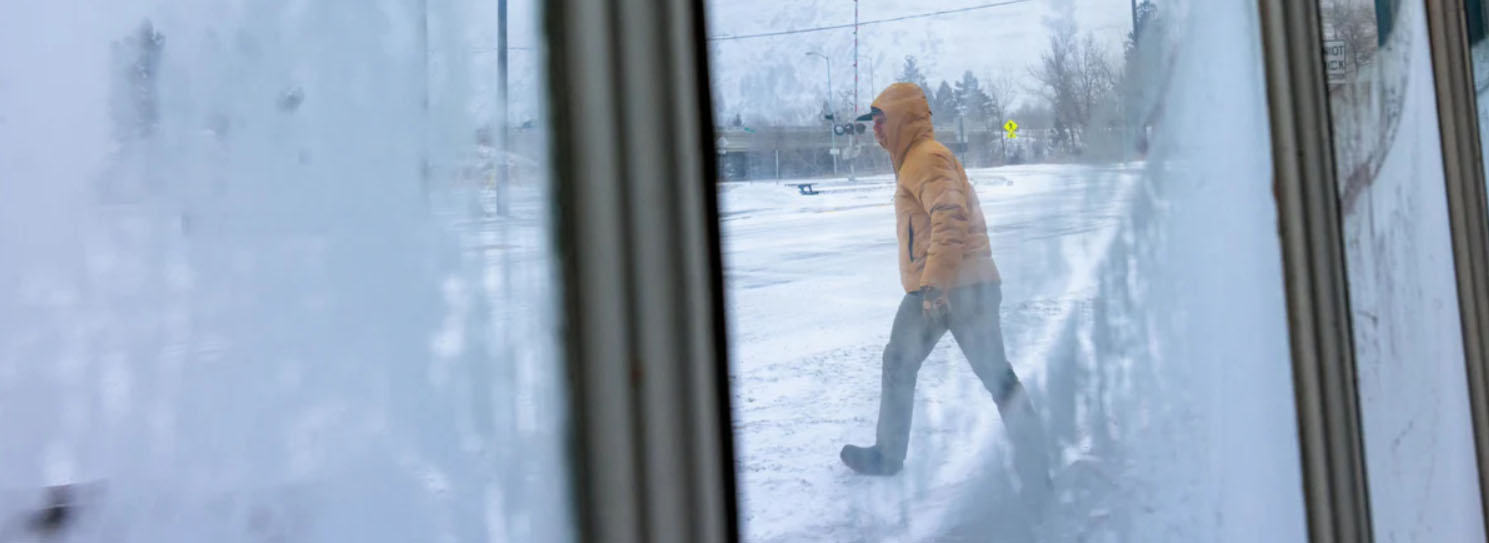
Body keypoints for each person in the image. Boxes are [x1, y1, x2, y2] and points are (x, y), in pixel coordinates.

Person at [840, 83, 1050, 491]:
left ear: (901, 120)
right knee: (902, 361)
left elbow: (950, 216)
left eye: (881, 122)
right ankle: (888, 454)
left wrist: (934, 285)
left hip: (953, 287)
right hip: (952, 283)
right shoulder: (917, 159)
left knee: (990, 375)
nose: (876, 131)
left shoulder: (925, 158)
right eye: (874, 124)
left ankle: (1035, 467)